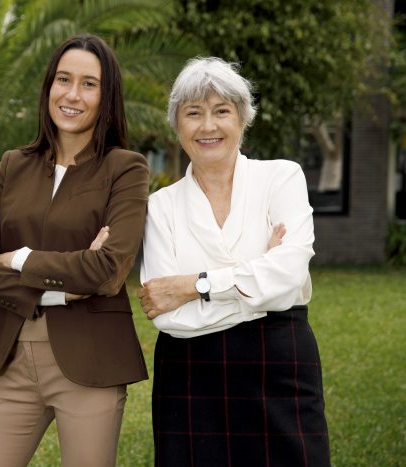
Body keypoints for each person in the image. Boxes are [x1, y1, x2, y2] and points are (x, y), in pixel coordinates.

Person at [0, 33, 149, 467]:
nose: (72, 95)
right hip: (10, 360)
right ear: (48, 87)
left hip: (92, 364)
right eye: (63, 79)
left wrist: (18, 259)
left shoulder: (126, 168)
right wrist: (60, 290)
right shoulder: (13, 165)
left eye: (88, 84)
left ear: (107, 96)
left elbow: (107, 269)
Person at [138, 57, 330, 467]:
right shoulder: (160, 206)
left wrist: (195, 286)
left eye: (222, 111)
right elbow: (167, 317)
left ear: (243, 119)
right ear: (178, 126)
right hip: (190, 372)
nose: (208, 126)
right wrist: (258, 278)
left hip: (279, 363)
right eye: (194, 113)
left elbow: (289, 273)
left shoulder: (282, 178)